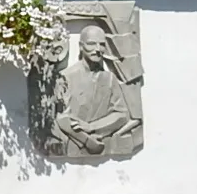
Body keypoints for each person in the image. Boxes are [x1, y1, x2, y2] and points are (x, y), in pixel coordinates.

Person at [53, 23, 139, 156]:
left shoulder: (109, 78)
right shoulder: (66, 77)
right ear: (81, 47)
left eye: (102, 44)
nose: (98, 49)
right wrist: (86, 139)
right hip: (73, 148)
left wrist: (92, 127)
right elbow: (60, 117)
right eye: (91, 44)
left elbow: (122, 115)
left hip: (103, 143)